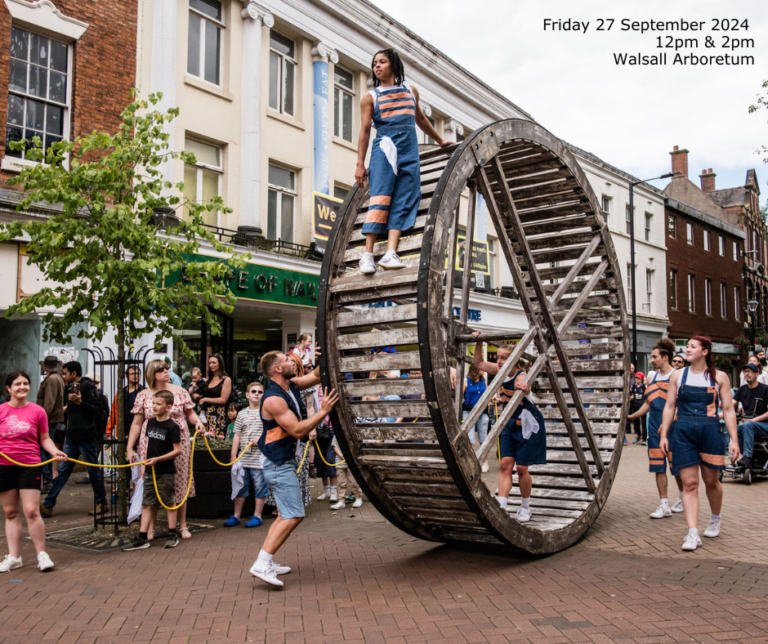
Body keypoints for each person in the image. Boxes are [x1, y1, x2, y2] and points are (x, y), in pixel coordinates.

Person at [355, 48, 450, 274]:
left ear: (394, 66)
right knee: (380, 197)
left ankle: (390, 253)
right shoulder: (370, 97)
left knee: (404, 196)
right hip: (384, 149)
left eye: (382, 62)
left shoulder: (410, 90)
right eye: (374, 63)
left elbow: (421, 119)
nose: (377, 66)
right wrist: (360, 163)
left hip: (409, 150)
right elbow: (365, 130)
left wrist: (439, 141)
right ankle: (367, 255)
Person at [249, 351, 339, 588]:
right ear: (277, 369)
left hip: (282, 460)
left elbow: (317, 376)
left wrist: (323, 350)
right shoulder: (273, 399)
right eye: (288, 361)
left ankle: (265, 560)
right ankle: (261, 564)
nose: (293, 362)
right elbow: (298, 430)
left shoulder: (292, 386)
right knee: (294, 514)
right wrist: (324, 411)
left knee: (284, 514)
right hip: (277, 463)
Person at [659, 336, 739, 552]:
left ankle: (715, 518)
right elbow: (669, 406)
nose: (687, 350)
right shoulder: (678, 375)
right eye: (687, 347)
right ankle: (693, 533)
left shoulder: (719, 377)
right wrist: (664, 434)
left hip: (710, 432)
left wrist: (734, 440)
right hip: (683, 432)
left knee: (711, 481)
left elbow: (729, 410)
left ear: (705, 351)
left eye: (693, 347)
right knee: (690, 484)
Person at [127, 359, 205, 541]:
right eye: (160, 369)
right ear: (152, 374)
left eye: (166, 367)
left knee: (179, 482)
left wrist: (199, 422)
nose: (165, 371)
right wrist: (130, 448)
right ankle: (151, 528)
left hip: (178, 441)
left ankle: (182, 525)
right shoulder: (143, 395)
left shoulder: (180, 392)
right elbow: (136, 423)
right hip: (151, 441)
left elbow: (190, 413)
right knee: (152, 483)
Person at [473, 335, 546, 523]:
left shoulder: (520, 374)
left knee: (521, 468)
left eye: (503, 358)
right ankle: (502, 508)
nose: (499, 361)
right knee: (505, 465)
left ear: (514, 359)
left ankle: (525, 507)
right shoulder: (499, 371)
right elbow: (479, 363)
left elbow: (526, 385)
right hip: (509, 422)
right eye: (498, 357)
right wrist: (480, 342)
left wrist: (525, 387)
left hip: (527, 423)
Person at [0, 370, 67, 573]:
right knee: (10, 512)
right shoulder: (1, 410)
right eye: (18, 384)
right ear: (9, 388)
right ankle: (14, 557)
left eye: (26, 384)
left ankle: (42, 554)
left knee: (31, 510)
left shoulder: (38, 411)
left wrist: (55, 451)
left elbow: (45, 438)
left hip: (30, 464)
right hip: (4, 466)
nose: (22, 387)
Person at [40, 361, 107, 518]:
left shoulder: (87, 386)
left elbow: (98, 410)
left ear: (73, 374)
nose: (63, 376)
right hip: (72, 436)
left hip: (86, 436)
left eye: (65, 373)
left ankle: (101, 502)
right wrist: (67, 409)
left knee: (93, 470)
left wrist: (80, 402)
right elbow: (73, 410)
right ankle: (48, 505)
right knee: (63, 470)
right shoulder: (67, 387)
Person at [627, 338, 684, 518]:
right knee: (658, 466)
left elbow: (682, 405)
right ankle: (664, 505)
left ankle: (683, 498)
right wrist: (633, 416)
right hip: (653, 428)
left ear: (665, 357)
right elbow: (648, 403)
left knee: (677, 468)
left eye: (654, 357)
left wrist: (670, 421)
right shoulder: (652, 377)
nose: (651, 360)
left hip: (674, 429)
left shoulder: (679, 376)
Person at [122, 390, 182, 551]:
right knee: (147, 503)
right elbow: (148, 446)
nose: (154, 406)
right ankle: (142, 538)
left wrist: (158, 459)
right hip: (149, 470)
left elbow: (177, 450)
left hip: (166, 470)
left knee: (169, 501)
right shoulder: (149, 422)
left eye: (158, 404)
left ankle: (171, 534)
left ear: (168, 407)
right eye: (153, 403)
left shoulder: (172, 426)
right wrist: (144, 464)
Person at [225, 382, 268, 528]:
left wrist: (261, 438)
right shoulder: (242, 414)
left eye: (260, 392)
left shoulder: (266, 412)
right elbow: (237, 435)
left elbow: (271, 431)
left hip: (259, 458)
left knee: (259, 486)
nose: (257, 393)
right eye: (254, 391)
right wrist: (233, 455)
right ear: (247, 395)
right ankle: (236, 515)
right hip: (243, 458)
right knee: (240, 485)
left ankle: (257, 515)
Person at [36, 356, 65, 487]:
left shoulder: (52, 380)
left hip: (48, 419)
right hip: (51, 419)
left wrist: (40, 419)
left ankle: (46, 477)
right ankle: (47, 477)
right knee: (46, 447)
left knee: (42, 447)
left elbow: (49, 403)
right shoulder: (56, 378)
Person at [733, 363, 768, 470]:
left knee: (747, 424)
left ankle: (747, 456)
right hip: (751, 425)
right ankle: (748, 459)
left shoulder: (765, 389)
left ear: (757, 374)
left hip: (765, 425)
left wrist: (754, 420)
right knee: (736, 429)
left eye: (749, 371)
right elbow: (730, 405)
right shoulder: (742, 389)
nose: (746, 374)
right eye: (745, 372)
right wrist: (717, 415)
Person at [194, 354, 232, 439]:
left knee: (214, 440)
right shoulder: (208, 379)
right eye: (210, 363)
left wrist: (205, 399)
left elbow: (223, 400)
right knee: (201, 439)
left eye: (214, 362)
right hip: (204, 414)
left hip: (217, 414)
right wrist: (197, 395)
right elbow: (203, 394)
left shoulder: (226, 379)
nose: (211, 365)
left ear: (220, 364)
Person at [463, 366, 490, 472]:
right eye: (481, 367)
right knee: (469, 439)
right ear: (476, 369)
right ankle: (468, 462)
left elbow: (487, 392)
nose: (484, 369)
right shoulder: (466, 380)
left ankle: (485, 462)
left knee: (483, 438)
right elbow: (460, 395)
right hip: (468, 411)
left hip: (482, 411)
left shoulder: (484, 380)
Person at [330, 435, 364, 510]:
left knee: (353, 481)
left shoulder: (351, 432)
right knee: (341, 482)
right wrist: (341, 456)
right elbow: (334, 445)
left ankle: (358, 498)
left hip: (352, 460)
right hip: (340, 461)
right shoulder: (336, 435)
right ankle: (341, 500)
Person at [629, 372, 647, 445]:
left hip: (642, 406)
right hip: (635, 405)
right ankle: (638, 436)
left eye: (638, 378)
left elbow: (646, 395)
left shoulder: (644, 387)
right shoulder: (633, 386)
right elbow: (632, 393)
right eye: (636, 378)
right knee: (636, 422)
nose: (637, 379)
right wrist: (631, 397)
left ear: (642, 379)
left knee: (643, 422)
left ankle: (644, 438)